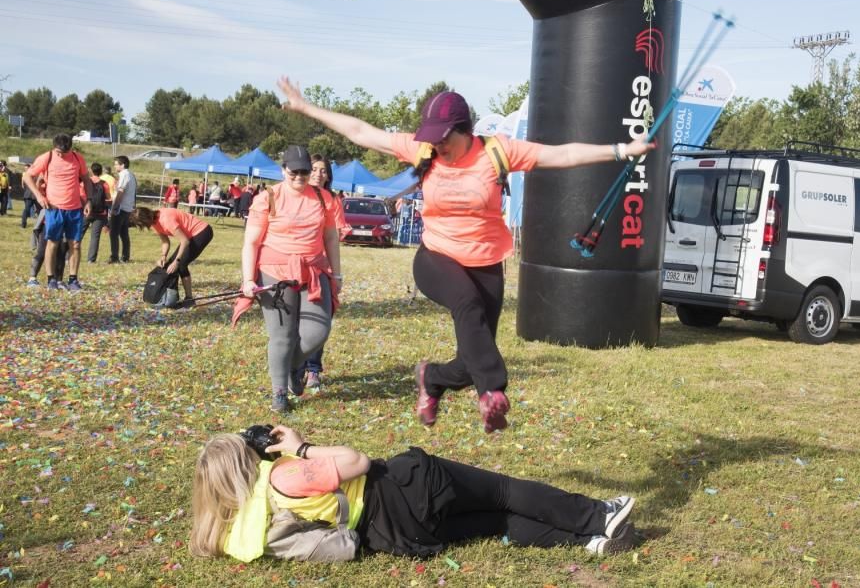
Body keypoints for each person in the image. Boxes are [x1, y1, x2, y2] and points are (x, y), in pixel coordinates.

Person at [277, 77, 656, 432]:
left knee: (472, 355)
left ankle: (433, 378)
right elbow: (363, 133)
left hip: (486, 261)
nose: (438, 145)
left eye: (445, 138)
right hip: (436, 256)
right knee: (467, 305)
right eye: (433, 138)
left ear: (464, 131)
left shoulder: (497, 152)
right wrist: (308, 108)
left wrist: (621, 150)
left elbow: (561, 154)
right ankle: (492, 392)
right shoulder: (423, 150)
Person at [189, 424, 638, 563]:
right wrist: (300, 446)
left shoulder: (246, 521)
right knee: (503, 491)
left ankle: (588, 544)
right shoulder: (281, 477)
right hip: (403, 490)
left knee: (496, 522)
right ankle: (598, 517)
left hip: (394, 532)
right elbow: (357, 461)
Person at [239, 145, 342, 413]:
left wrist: (336, 273)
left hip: (313, 271)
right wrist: (248, 280)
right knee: (281, 336)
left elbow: (331, 238)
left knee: (318, 332)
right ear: (283, 169)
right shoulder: (267, 198)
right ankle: (280, 392)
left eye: (304, 172)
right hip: (275, 272)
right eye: (294, 171)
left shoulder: (324, 199)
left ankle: (295, 366)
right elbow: (251, 242)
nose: (299, 177)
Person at [302, 154, 350, 389]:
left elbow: (335, 235)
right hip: (298, 267)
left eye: (323, 170)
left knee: (320, 322)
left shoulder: (332, 200)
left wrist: (336, 273)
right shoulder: (296, 196)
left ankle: (313, 370)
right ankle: (296, 367)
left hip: (323, 269)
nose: (319, 174)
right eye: (314, 169)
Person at [22, 134, 95, 291]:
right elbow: (28, 176)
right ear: (53, 147)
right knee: (52, 243)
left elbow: (86, 179)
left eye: (64, 152)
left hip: (74, 209)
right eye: (58, 152)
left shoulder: (77, 158)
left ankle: (73, 280)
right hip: (54, 208)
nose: (60, 155)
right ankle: (51, 280)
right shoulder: (46, 157)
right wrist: (39, 196)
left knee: (75, 244)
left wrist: (88, 200)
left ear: (70, 148)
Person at [130, 206, 214, 304]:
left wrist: (177, 261)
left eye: (143, 224)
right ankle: (171, 295)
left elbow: (184, 241)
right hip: (189, 236)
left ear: (147, 218)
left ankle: (189, 299)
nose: (144, 227)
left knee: (181, 264)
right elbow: (165, 241)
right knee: (170, 265)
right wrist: (163, 256)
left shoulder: (166, 220)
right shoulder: (154, 222)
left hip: (202, 232)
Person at [27, 208, 70, 288]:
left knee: (61, 252)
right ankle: (32, 278)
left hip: (66, 222)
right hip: (49, 222)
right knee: (42, 252)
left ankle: (58, 280)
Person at [108, 155, 136, 264]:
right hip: (127, 208)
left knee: (114, 233)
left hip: (121, 208)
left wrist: (114, 207)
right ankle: (125, 256)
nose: (114, 166)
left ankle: (114, 257)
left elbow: (120, 192)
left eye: (116, 164)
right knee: (124, 233)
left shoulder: (124, 174)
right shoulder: (131, 175)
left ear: (122, 165)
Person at [82, 163, 111, 263]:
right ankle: (91, 259)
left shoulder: (86, 182)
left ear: (90, 170)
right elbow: (108, 197)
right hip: (100, 213)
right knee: (95, 237)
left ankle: (69, 256)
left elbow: (82, 194)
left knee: (79, 233)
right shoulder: (104, 183)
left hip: (86, 211)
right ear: (101, 172)